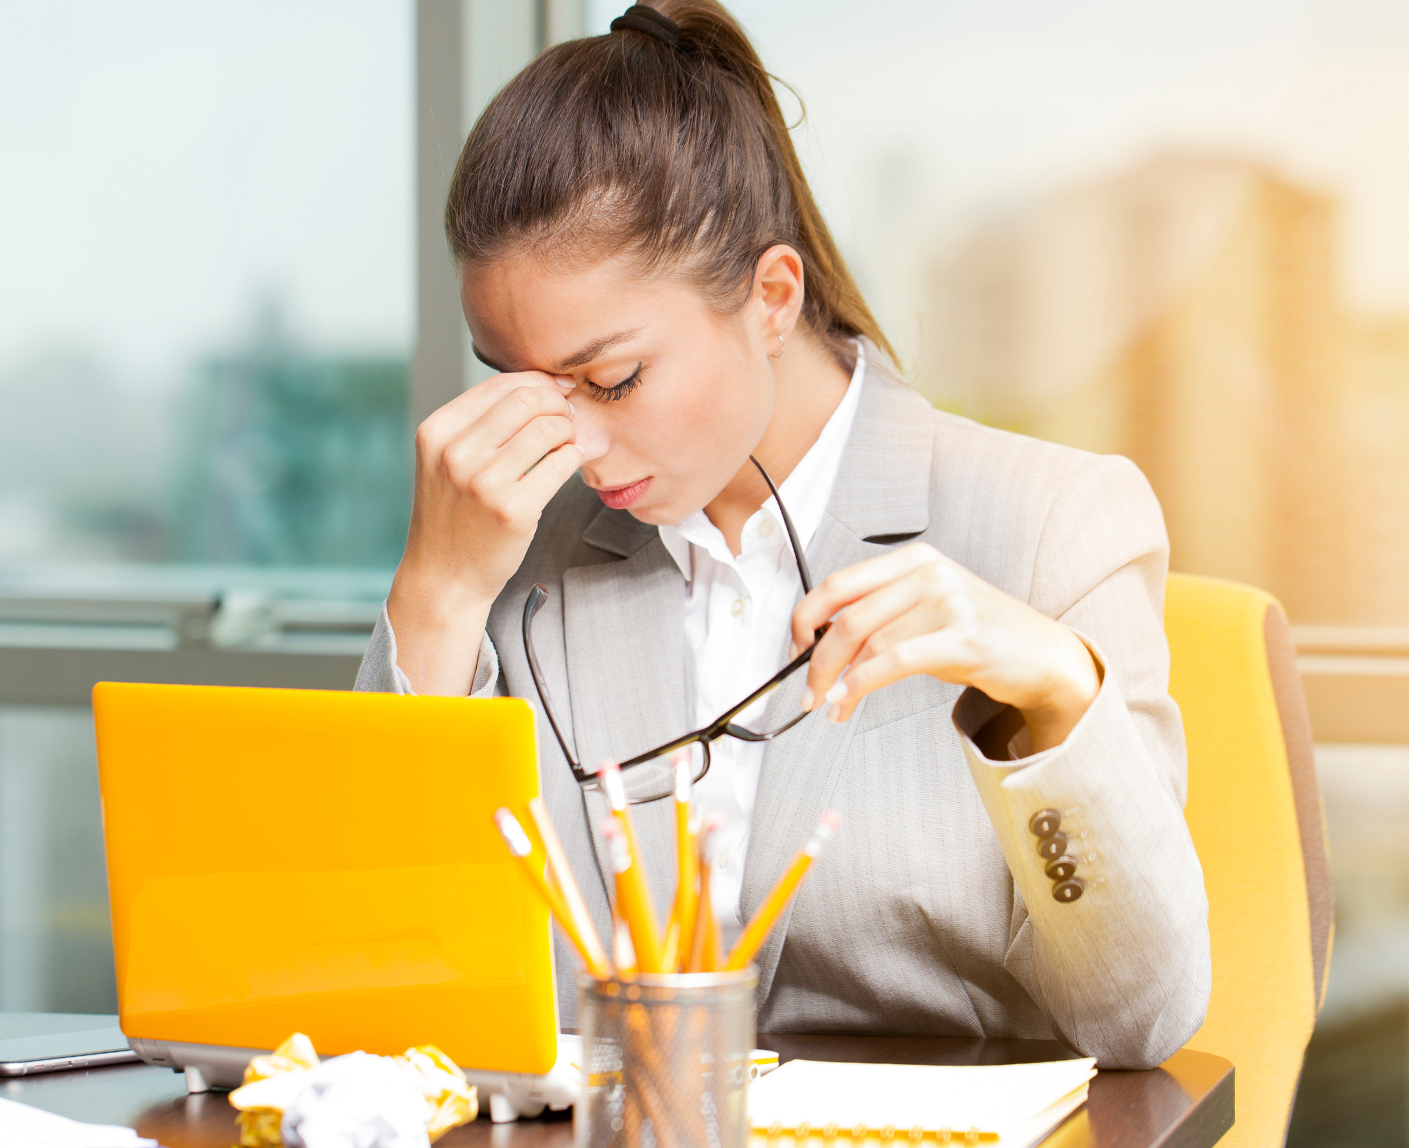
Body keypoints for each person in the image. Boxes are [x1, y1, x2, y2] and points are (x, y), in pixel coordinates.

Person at [357, 0, 1209, 1068]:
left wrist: (1054, 694)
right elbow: (384, 981)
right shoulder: (503, 549)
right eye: (522, 386)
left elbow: (1141, 1017)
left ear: (771, 297)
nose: (570, 442)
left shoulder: (1049, 520)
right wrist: (434, 598)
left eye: (612, 378)